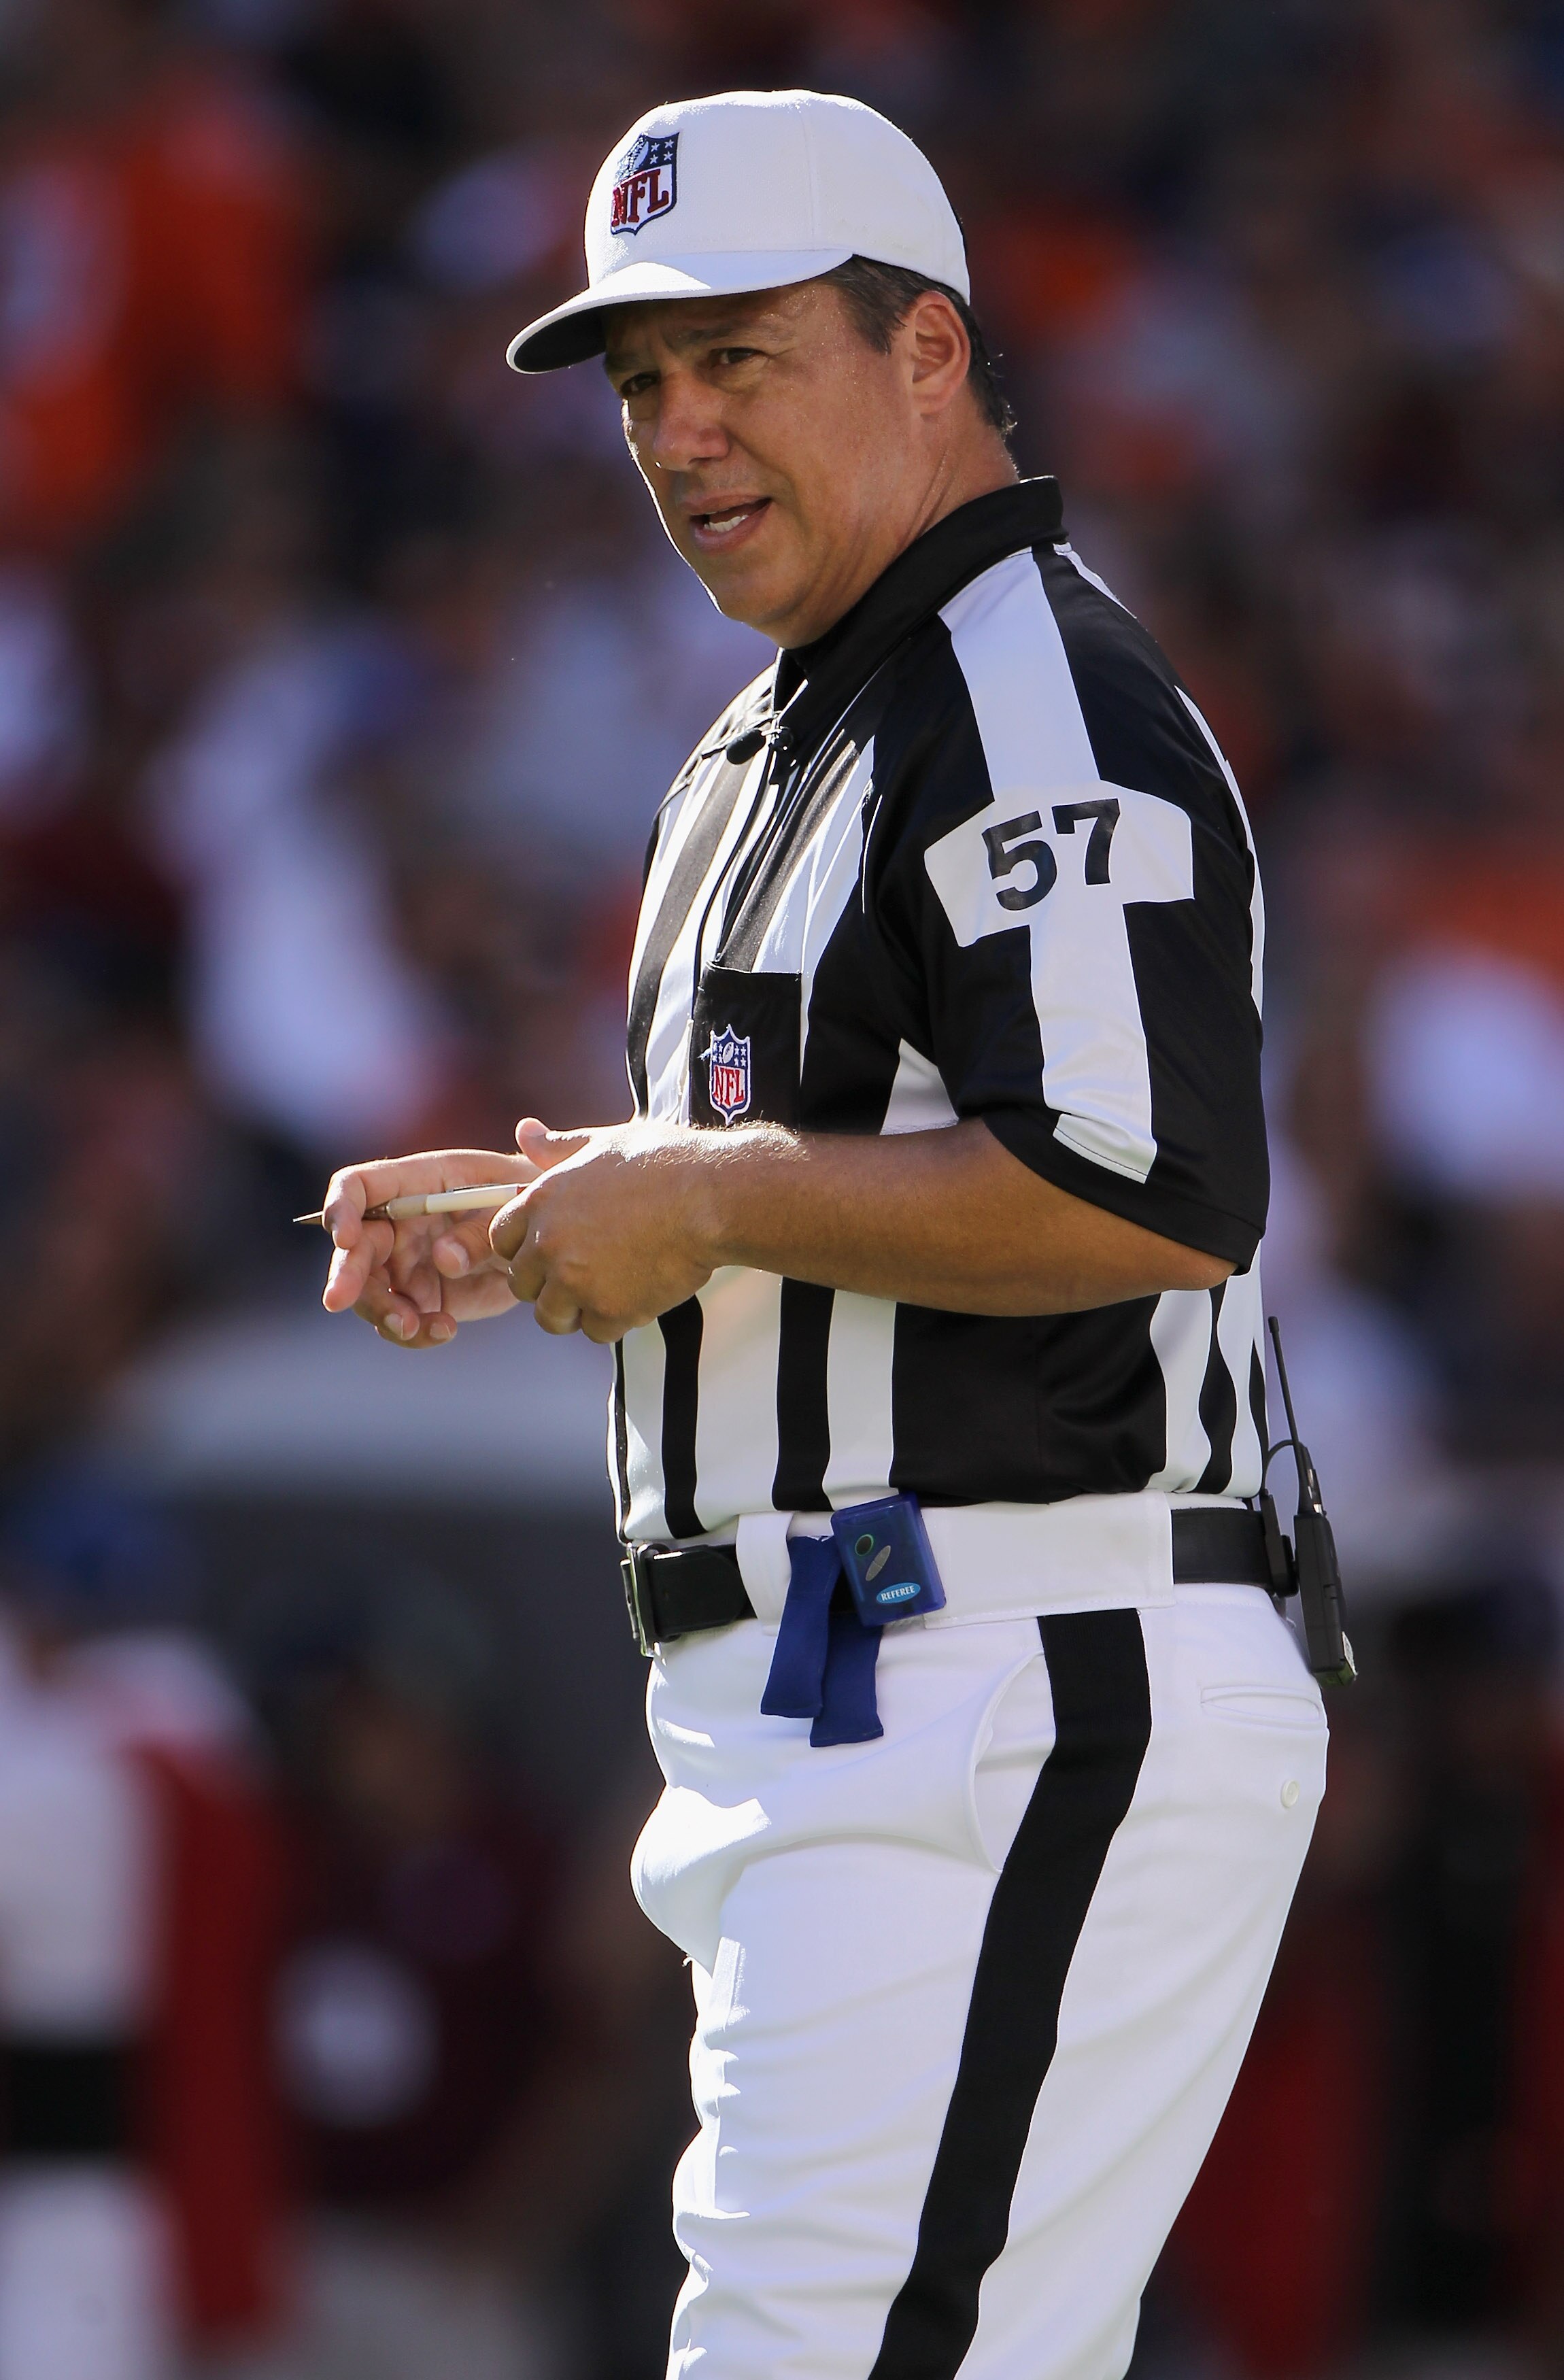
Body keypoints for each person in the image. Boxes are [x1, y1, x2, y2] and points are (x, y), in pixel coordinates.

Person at [317, 89, 1329, 2380]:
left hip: (1009, 1658)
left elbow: (1146, 1184)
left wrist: (694, 1195)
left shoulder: (1027, 691)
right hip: (851, 1684)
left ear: (928, 353)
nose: (674, 431)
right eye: (638, 383)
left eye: (738, 357)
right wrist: (556, 1215)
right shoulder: (778, 740)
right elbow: (820, 1177)